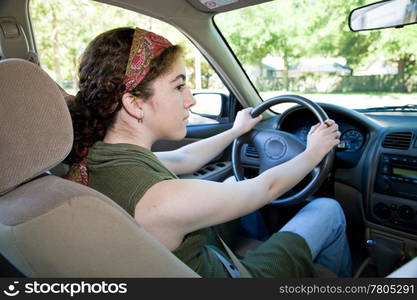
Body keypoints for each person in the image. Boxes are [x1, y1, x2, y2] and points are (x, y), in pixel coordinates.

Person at [66, 27, 352, 278]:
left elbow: (185, 158)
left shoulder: (100, 158)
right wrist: (314, 153)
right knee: (327, 209)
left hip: (196, 259)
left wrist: (234, 132)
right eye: (179, 86)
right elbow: (266, 187)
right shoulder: (159, 200)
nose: (191, 100)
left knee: (233, 182)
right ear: (135, 103)